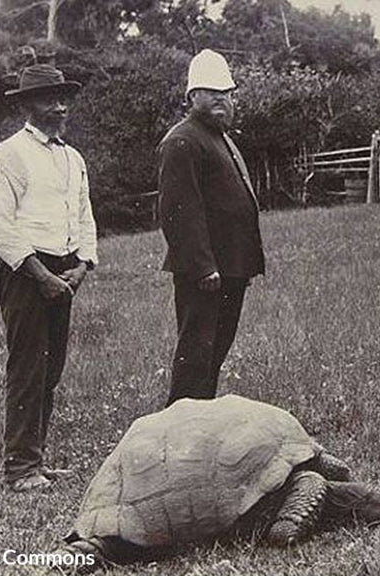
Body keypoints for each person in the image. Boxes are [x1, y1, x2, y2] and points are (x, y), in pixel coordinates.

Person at [0, 63, 98, 492]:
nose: (61, 106)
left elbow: (84, 214)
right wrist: (40, 274)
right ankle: (20, 468)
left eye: (65, 97)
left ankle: (37, 461)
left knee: (51, 371)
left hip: (65, 271)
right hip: (26, 274)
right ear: (28, 105)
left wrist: (83, 265)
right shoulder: (8, 156)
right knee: (28, 369)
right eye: (50, 98)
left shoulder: (72, 157)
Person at [157, 49, 264, 407]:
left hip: (231, 268)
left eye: (227, 92)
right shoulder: (182, 140)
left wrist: (242, 264)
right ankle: (178, 430)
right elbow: (178, 212)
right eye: (211, 91)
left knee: (214, 353)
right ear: (192, 97)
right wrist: (203, 266)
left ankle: (199, 424)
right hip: (205, 272)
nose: (221, 98)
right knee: (196, 355)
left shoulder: (220, 138)